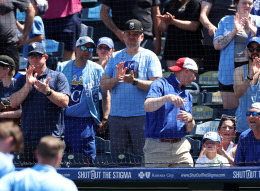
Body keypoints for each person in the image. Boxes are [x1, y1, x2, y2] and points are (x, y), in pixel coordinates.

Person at [100, 19, 162, 157]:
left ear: (142, 37)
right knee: (118, 160)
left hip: (141, 116)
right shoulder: (115, 56)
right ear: (124, 36)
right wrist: (117, 78)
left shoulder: (150, 56)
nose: (132, 37)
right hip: (117, 117)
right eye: (129, 34)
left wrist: (135, 82)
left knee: (142, 158)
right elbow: (103, 85)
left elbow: (157, 86)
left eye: (135, 34)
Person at [10, 42, 69, 166]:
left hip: (52, 138)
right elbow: (13, 103)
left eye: (38, 55)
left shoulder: (58, 76)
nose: (35, 59)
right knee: (27, 179)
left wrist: (47, 91)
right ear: (28, 58)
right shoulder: (22, 79)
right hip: (28, 139)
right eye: (32, 56)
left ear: (45, 57)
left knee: (52, 178)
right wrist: (28, 85)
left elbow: (65, 102)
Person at [56, 36, 105, 165]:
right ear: (76, 49)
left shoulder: (97, 69)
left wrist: (105, 117)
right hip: (64, 121)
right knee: (62, 160)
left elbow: (106, 93)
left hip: (85, 123)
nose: (87, 51)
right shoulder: (62, 67)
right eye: (83, 47)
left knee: (86, 162)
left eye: (90, 48)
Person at [143, 57, 197, 167]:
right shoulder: (159, 84)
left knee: (187, 181)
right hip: (157, 148)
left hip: (181, 148)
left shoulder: (188, 95)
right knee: (158, 184)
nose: (195, 78)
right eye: (194, 73)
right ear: (186, 71)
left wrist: (190, 119)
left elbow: (189, 128)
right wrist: (167, 97)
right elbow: (147, 106)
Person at [213, 0, 260, 114]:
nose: (247, 6)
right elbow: (217, 45)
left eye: (250, 3)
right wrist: (235, 30)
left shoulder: (258, 20)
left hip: (252, 72)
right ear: (235, 4)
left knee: (251, 112)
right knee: (230, 113)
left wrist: (252, 31)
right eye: (244, 3)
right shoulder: (225, 21)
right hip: (228, 73)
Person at [233, 36, 260, 133]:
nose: (254, 51)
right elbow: (237, 94)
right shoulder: (239, 70)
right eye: (251, 49)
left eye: (258, 49)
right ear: (247, 51)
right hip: (244, 123)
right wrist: (250, 76)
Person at [157, 0, 204, 67]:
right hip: (172, 48)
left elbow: (194, 26)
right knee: (172, 76)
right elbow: (162, 28)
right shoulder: (169, 4)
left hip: (191, 48)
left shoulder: (195, 3)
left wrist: (173, 21)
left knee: (189, 75)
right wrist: (165, 20)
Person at [199, 0, 236, 71]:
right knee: (211, 74)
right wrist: (210, 26)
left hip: (232, 44)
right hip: (212, 43)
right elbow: (202, 15)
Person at [233, 101, 260, 166]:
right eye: (248, 114)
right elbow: (238, 166)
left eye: (255, 114)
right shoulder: (244, 137)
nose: (251, 117)